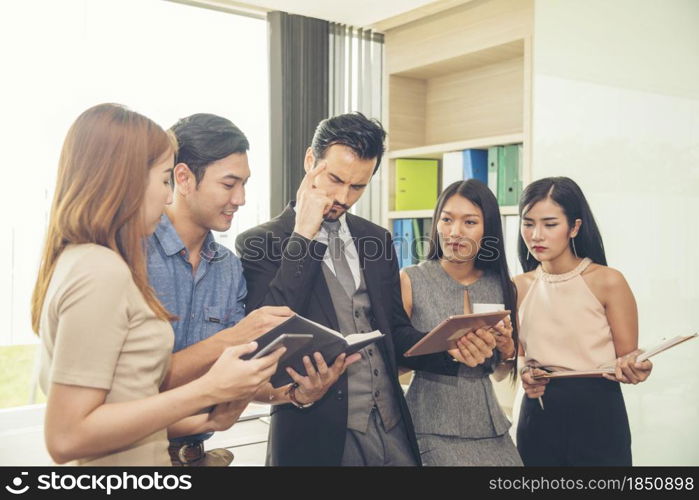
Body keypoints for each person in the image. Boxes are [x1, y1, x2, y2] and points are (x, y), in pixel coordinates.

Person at [32, 103, 285, 466]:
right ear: (128, 178)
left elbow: (128, 394)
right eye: (164, 178)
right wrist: (208, 389)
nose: (167, 196)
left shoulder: (86, 260)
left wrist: (214, 416)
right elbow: (68, 435)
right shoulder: (104, 267)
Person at [236, 112, 463, 466]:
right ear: (311, 161)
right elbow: (268, 331)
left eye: (357, 186)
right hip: (316, 436)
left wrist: (452, 346)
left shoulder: (377, 239)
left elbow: (395, 335)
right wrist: (304, 234)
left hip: (393, 431)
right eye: (335, 179)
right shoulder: (258, 242)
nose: (343, 196)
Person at [147, 113, 295, 466]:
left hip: (199, 457)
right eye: (229, 184)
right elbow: (137, 386)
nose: (240, 198)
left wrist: (292, 393)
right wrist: (234, 337)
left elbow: (236, 376)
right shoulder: (135, 254)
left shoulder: (228, 267)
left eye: (244, 184)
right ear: (183, 178)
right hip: (135, 460)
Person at [513, 176, 653, 466]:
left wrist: (636, 366)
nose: (536, 235)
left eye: (550, 225)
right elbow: (519, 356)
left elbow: (628, 357)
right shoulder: (517, 286)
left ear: (574, 227)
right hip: (537, 413)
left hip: (598, 413)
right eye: (528, 223)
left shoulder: (608, 281)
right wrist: (524, 372)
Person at [399, 179, 523, 466]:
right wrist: (438, 349)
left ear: (487, 229)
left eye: (469, 222)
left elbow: (501, 373)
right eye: (447, 219)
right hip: (428, 422)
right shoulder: (411, 279)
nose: (455, 232)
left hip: (489, 425)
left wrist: (506, 350)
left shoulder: (503, 286)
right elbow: (394, 364)